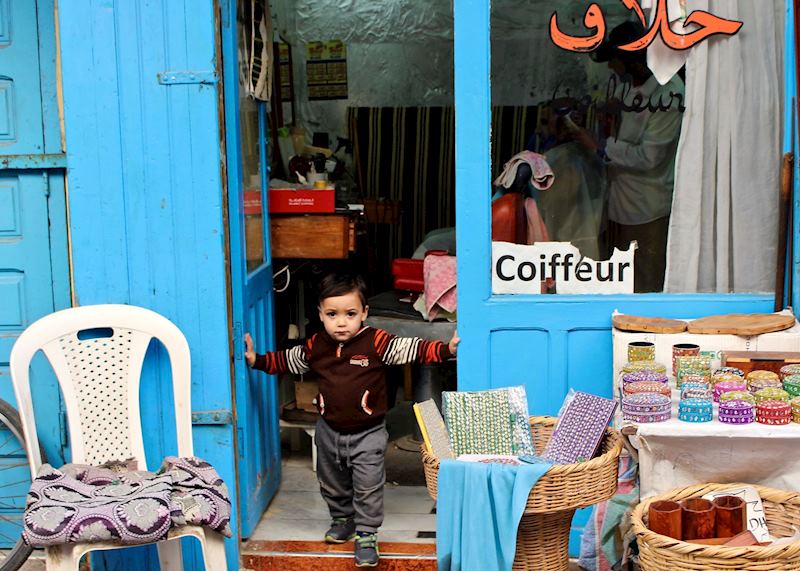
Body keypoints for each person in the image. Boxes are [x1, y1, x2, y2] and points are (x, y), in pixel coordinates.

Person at [244, 272, 459, 568]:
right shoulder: (316, 345)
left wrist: (445, 349)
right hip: (328, 430)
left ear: (364, 313)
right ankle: (342, 519)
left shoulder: (377, 341)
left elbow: (413, 348)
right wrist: (258, 360)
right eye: (332, 314)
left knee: (368, 484)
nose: (341, 322)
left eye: (350, 314)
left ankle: (367, 534)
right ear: (320, 314)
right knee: (331, 482)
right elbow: (288, 360)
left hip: (368, 432)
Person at [573, 20, 684, 292]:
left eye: (616, 61)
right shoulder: (628, 84)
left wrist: (599, 147)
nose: (611, 67)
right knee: (620, 282)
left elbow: (649, 156)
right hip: (618, 204)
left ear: (635, 62)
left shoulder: (668, 95)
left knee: (646, 285)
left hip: (647, 209)